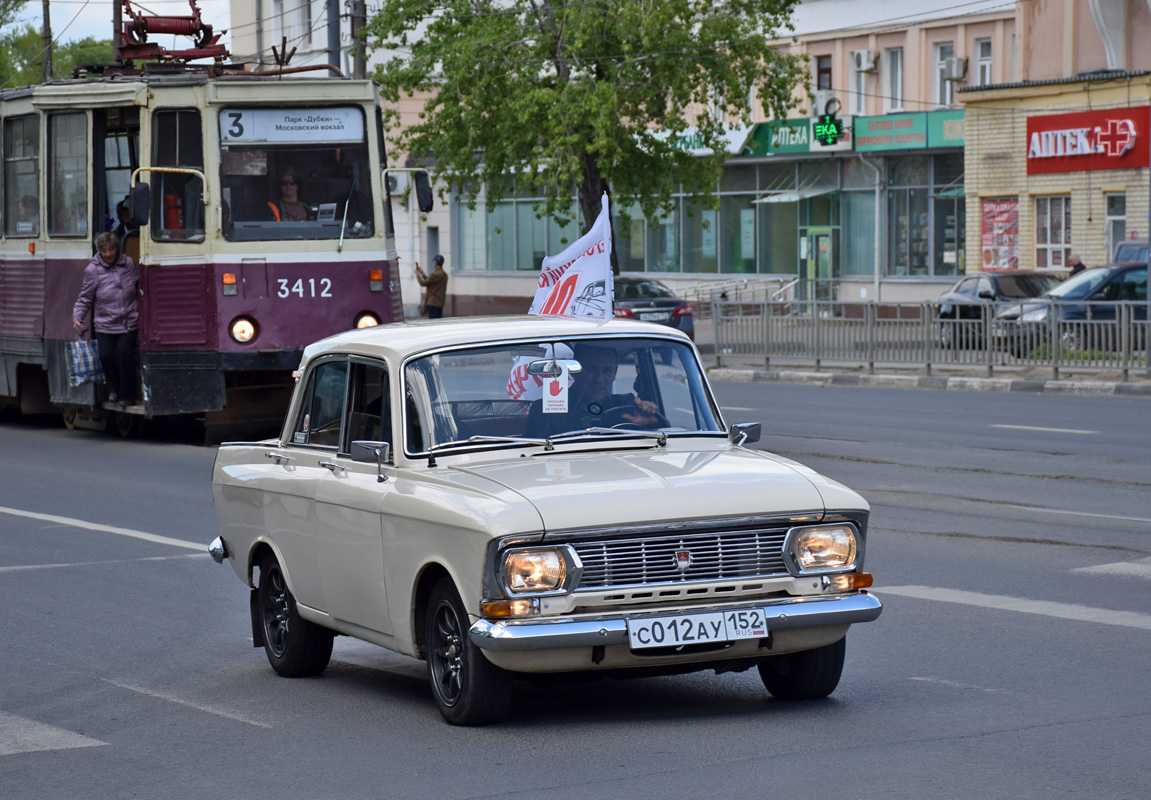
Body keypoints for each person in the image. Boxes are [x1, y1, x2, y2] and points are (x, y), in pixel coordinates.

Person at [523, 344, 664, 438]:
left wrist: (652, 421)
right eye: (591, 369)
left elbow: (665, 437)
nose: (599, 379)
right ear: (574, 372)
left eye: (607, 371)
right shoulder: (546, 410)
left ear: (615, 373)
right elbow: (533, 456)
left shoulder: (627, 405)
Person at [73, 232, 139, 406]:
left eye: (111, 249)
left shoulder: (128, 263)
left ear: (117, 249)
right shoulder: (92, 270)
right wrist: (78, 318)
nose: (108, 253)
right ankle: (115, 388)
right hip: (105, 324)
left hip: (128, 321)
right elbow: (85, 297)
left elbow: (139, 286)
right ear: (99, 251)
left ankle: (127, 395)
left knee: (124, 355)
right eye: (104, 250)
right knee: (106, 356)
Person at [415, 254, 449, 319]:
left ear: (436, 262)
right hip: (440, 303)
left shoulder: (435, 274)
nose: (433, 263)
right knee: (439, 322)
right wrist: (422, 274)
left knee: (433, 323)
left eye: (434, 261)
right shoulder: (444, 274)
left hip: (433, 303)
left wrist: (417, 275)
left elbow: (423, 283)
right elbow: (431, 282)